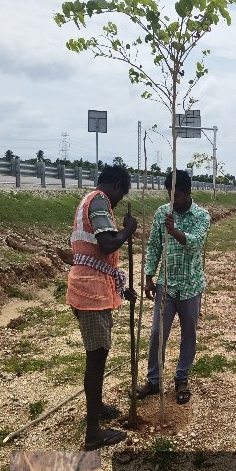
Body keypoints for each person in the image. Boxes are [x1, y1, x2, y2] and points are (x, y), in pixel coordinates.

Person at [66, 164, 137, 451]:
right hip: (91, 293)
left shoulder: (89, 199)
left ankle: (97, 408)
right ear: (117, 186)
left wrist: (122, 289)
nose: (117, 203)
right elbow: (107, 245)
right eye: (121, 195)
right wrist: (128, 230)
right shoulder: (99, 202)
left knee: (98, 357)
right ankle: (93, 432)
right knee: (96, 360)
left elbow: (96, 257)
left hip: (91, 287)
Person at [132, 169, 210, 404]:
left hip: (191, 286)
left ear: (188, 192)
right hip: (166, 285)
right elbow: (154, 246)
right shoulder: (161, 213)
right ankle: (153, 380)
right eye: (169, 194)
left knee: (189, 335)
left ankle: (182, 378)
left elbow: (196, 243)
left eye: (176, 195)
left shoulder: (201, 216)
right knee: (157, 333)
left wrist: (174, 231)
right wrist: (148, 277)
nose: (172, 200)